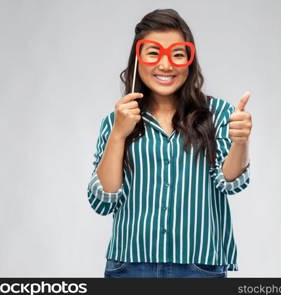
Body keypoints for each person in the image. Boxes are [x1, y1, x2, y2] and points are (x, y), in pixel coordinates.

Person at [87, 8, 252, 278]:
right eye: (154, 53)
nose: (166, 65)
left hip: (199, 267)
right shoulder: (116, 120)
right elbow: (103, 201)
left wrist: (241, 141)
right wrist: (118, 134)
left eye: (177, 54)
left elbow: (230, 182)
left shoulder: (219, 113)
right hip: (129, 266)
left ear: (189, 60)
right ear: (138, 59)